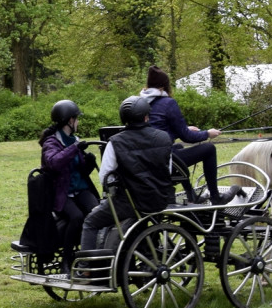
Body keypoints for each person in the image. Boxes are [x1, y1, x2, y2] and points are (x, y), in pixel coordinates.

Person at [79, 96, 174, 254]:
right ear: (146, 116)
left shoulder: (115, 142)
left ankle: (85, 269)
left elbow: (105, 178)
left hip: (130, 203)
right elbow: (167, 170)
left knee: (91, 222)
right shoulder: (164, 138)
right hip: (159, 200)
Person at [140, 65, 229, 205]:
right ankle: (216, 198)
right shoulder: (168, 103)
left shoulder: (139, 102)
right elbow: (188, 137)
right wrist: (207, 134)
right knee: (209, 149)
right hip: (162, 162)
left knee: (179, 147)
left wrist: (184, 128)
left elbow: (156, 130)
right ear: (163, 88)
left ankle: (191, 195)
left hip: (144, 159)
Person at [38, 99, 100, 276]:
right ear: (69, 121)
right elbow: (54, 163)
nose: (78, 122)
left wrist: (89, 162)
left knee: (97, 213)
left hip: (80, 189)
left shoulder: (74, 139)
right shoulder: (51, 142)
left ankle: (92, 257)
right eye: (76, 119)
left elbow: (80, 172)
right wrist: (74, 149)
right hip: (61, 193)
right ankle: (67, 259)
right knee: (76, 217)